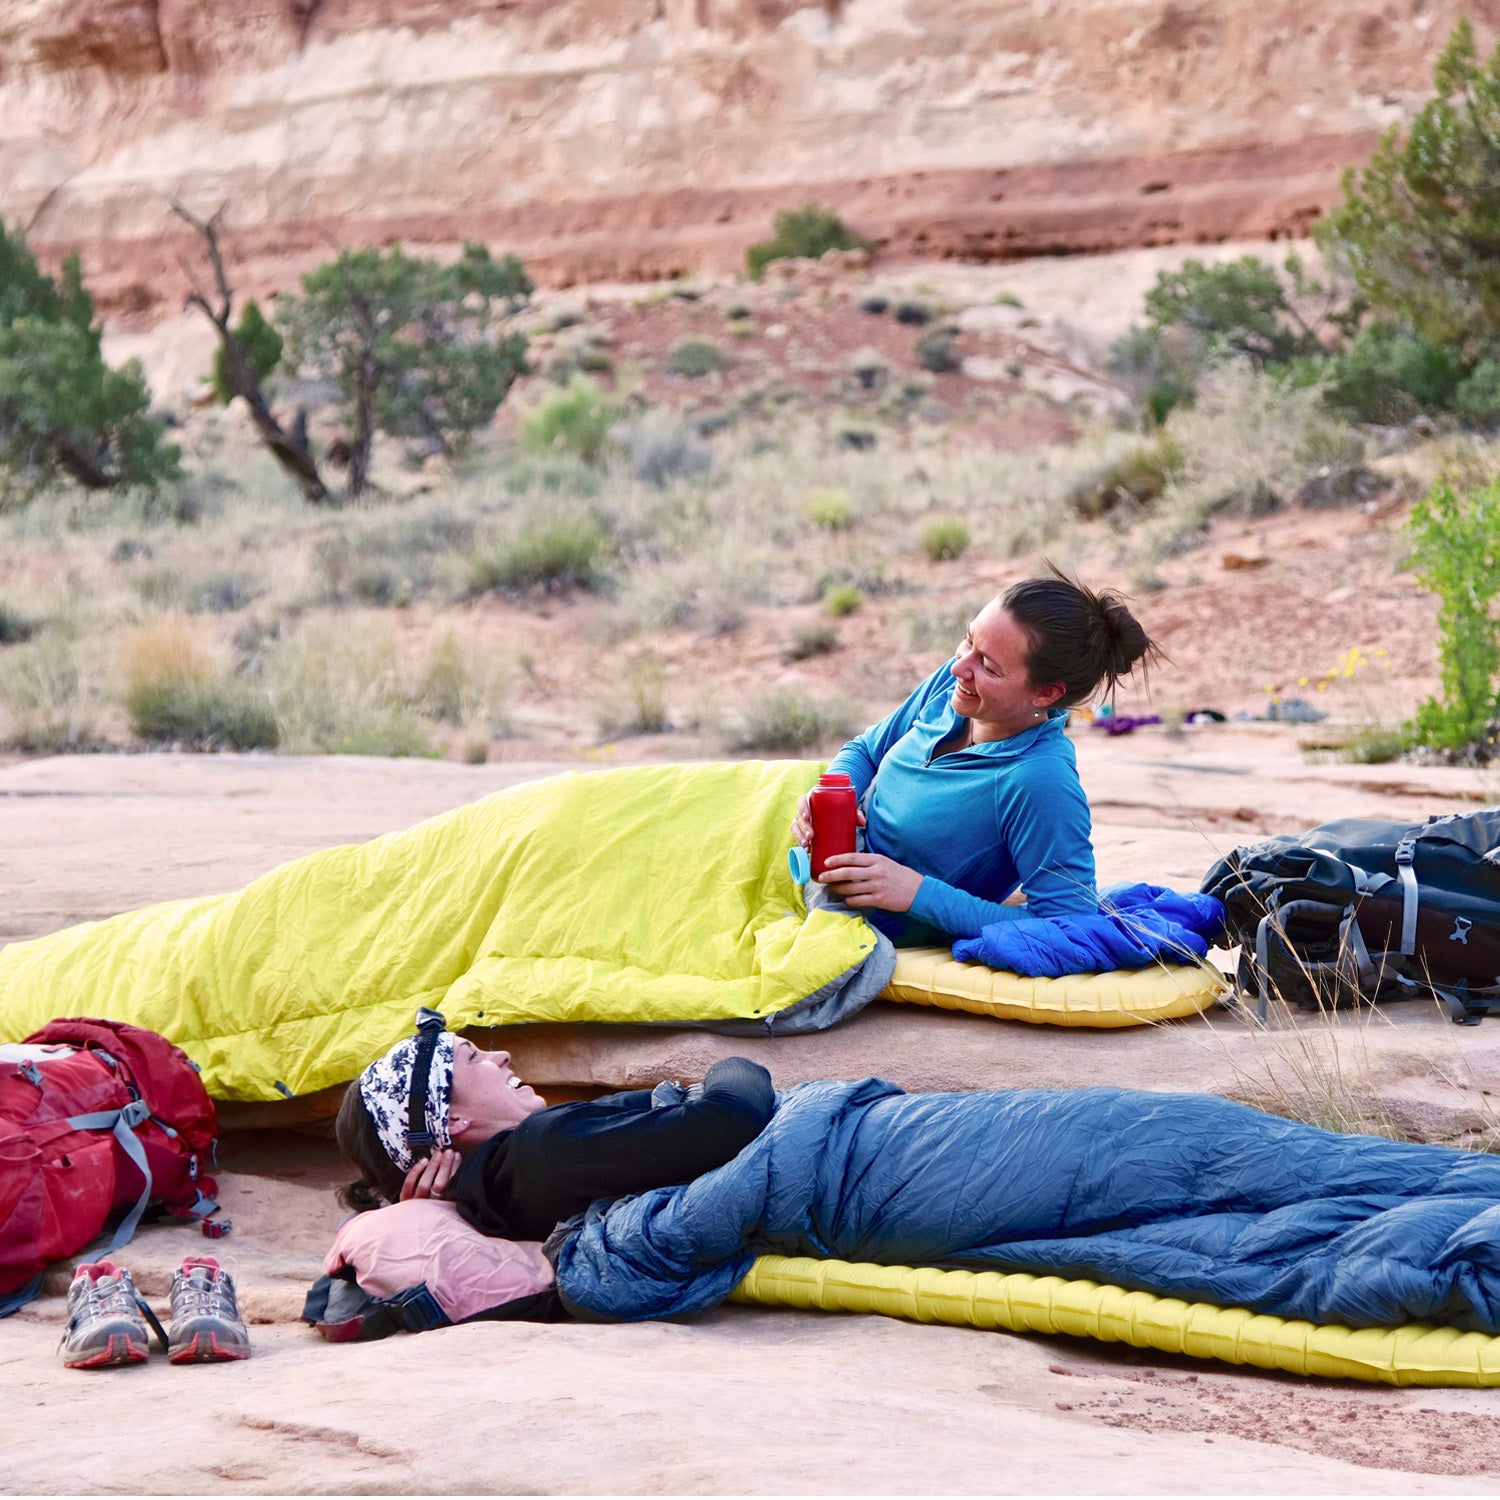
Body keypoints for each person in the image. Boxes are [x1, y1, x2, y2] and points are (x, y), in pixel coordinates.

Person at [793, 570, 1158, 945]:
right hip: (814, 863)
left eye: (989, 665)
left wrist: (917, 893)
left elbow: (1070, 925)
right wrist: (827, 801)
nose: (959, 667)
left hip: (857, 922)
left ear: (1046, 693)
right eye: (968, 640)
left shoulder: (1038, 781)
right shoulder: (956, 688)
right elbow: (866, 750)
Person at [334, 1008, 775, 1241]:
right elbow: (730, 1116)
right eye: (474, 1057)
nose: (500, 1056)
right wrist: (730, 1062)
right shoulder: (540, 1152)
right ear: (452, 1118)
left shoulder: (499, 1195)